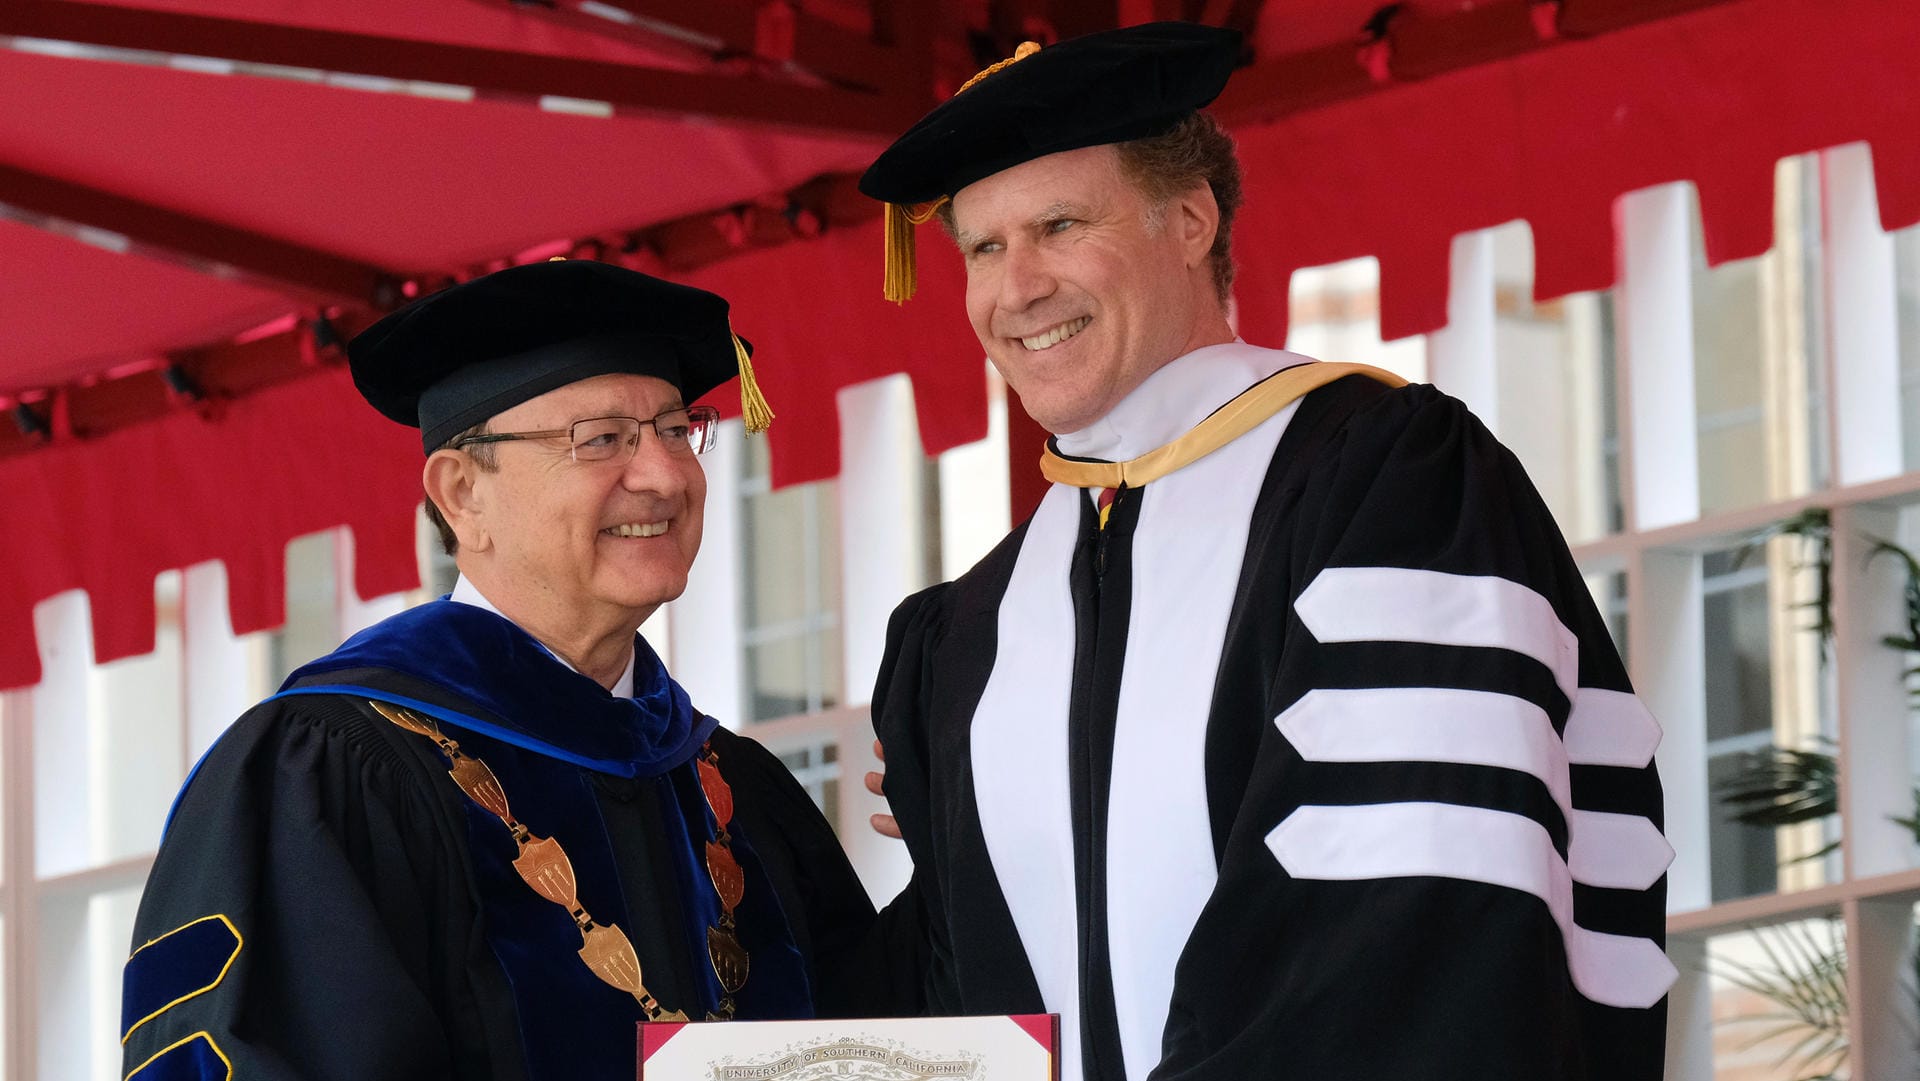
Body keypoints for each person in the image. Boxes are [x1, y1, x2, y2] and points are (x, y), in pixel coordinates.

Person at [857, 21, 1674, 1081]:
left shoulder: (1389, 486)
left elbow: (1411, 922)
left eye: (1060, 225)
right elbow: (952, 996)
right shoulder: (967, 635)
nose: (1017, 289)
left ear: (1191, 220)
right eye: (983, 247)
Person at [120, 260, 919, 1081]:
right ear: (462, 492)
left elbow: (880, 1041)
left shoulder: (730, 785)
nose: (666, 474)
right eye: (602, 439)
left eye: (678, 429)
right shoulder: (329, 773)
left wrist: (969, 833)